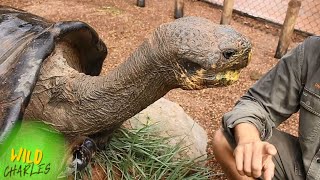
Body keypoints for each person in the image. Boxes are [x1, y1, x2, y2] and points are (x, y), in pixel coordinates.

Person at [212, 36, 320, 180]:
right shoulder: (312, 51)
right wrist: (248, 140)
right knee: (227, 138)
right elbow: (258, 102)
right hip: (307, 166)